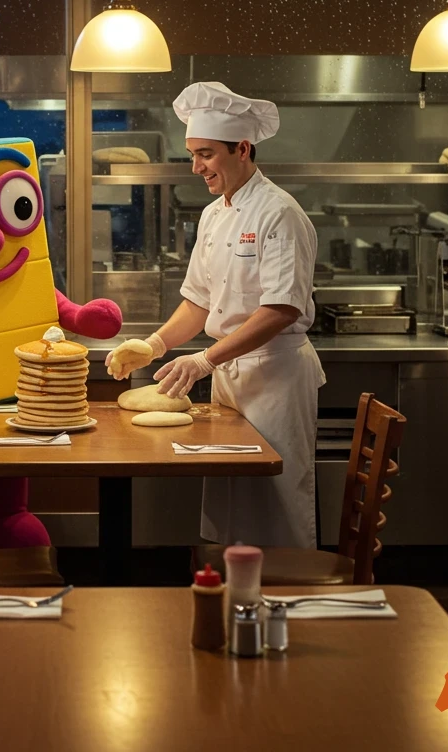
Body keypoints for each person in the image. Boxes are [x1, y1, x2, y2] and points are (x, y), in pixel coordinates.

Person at [106, 81, 325, 548]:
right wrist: (154, 345)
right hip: (231, 379)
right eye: (192, 154)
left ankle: (284, 602)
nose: (196, 166)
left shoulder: (279, 213)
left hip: (276, 380)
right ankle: (228, 604)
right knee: (230, 507)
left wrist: (204, 360)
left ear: (242, 148)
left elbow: (282, 307)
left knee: (275, 504)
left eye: (205, 154)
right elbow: (200, 301)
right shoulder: (213, 215)